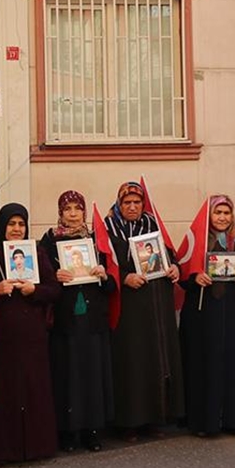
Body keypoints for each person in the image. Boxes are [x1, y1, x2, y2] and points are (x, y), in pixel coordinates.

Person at [0, 203, 59, 464]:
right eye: (11, 224)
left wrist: (35, 291)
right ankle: (2, 450)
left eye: (21, 224)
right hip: (1, 337)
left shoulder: (38, 254)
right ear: (3, 227)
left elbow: (55, 289)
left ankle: (35, 448)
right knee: (4, 391)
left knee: (32, 389)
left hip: (33, 337)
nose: (16, 229)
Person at [179, 195, 235, 437]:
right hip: (206, 312)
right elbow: (181, 269)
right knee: (208, 363)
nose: (222, 217)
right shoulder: (196, 236)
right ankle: (206, 422)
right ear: (209, 215)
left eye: (226, 213)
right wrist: (195, 278)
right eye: (217, 213)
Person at [103, 181, 183, 442]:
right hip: (129, 310)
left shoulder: (153, 227)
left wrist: (174, 269)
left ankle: (155, 418)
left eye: (137, 202)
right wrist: (125, 278)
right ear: (119, 204)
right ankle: (129, 422)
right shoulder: (108, 230)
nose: (132, 207)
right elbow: (105, 265)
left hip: (157, 306)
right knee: (132, 363)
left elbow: (170, 258)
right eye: (127, 202)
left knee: (156, 360)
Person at [38, 190, 115, 453]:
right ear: (60, 212)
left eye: (77, 209)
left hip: (92, 320)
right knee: (66, 375)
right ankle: (68, 431)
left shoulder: (97, 240)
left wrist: (103, 274)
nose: (73, 214)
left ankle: (91, 431)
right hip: (64, 320)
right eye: (67, 209)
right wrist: (54, 275)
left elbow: (113, 281)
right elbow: (40, 278)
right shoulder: (48, 241)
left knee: (92, 374)